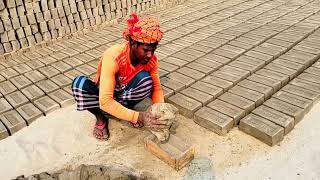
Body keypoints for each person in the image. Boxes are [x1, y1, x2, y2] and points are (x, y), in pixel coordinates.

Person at [71, 13, 167, 140]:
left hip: (123, 95)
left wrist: (160, 110)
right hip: (105, 94)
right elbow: (105, 101)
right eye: (145, 50)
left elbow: (157, 89)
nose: (150, 55)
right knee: (79, 85)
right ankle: (101, 119)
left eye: (153, 50)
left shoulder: (151, 61)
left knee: (145, 80)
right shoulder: (114, 56)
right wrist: (138, 117)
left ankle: (125, 111)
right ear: (133, 43)